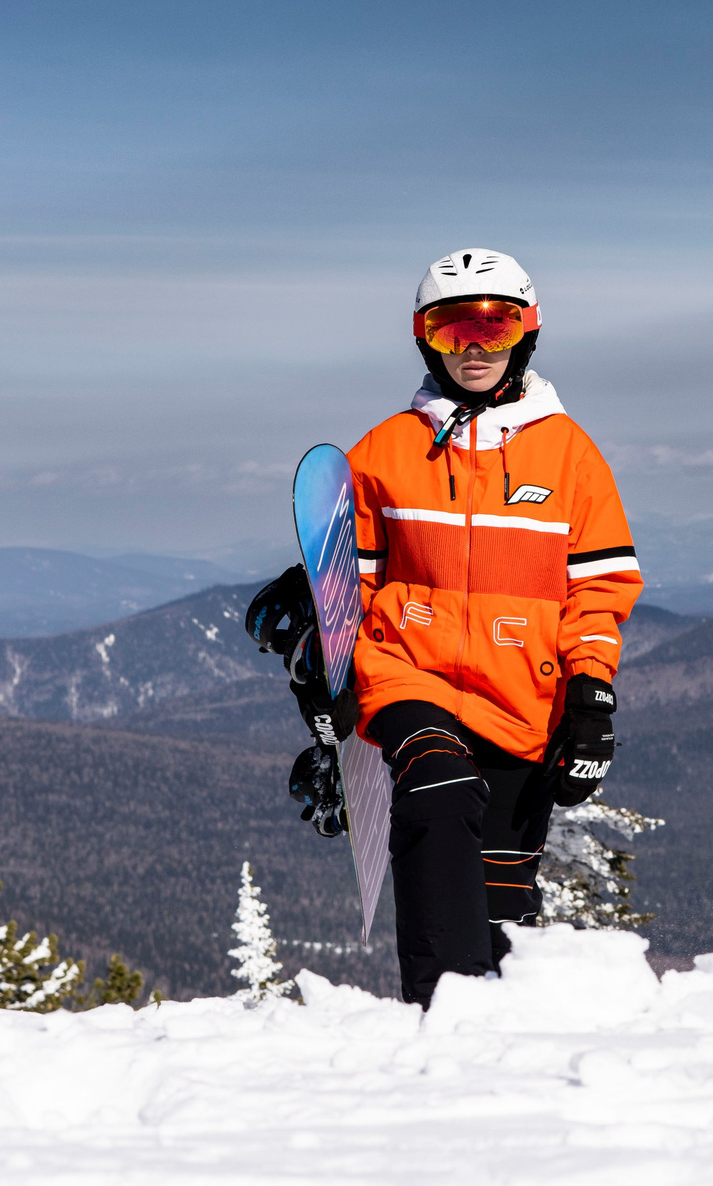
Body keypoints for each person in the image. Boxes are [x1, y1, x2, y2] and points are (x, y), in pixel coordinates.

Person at [250, 247, 641, 1006]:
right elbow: (348, 583)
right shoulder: (388, 450)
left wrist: (591, 702)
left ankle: (494, 1039)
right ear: (425, 335)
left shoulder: (571, 456)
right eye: (453, 326)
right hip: (409, 671)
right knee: (436, 783)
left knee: (501, 900)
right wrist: (328, 680)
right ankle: (442, 1015)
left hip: (522, 699)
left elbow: (599, 591)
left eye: (495, 327)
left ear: (527, 332)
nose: (474, 346)